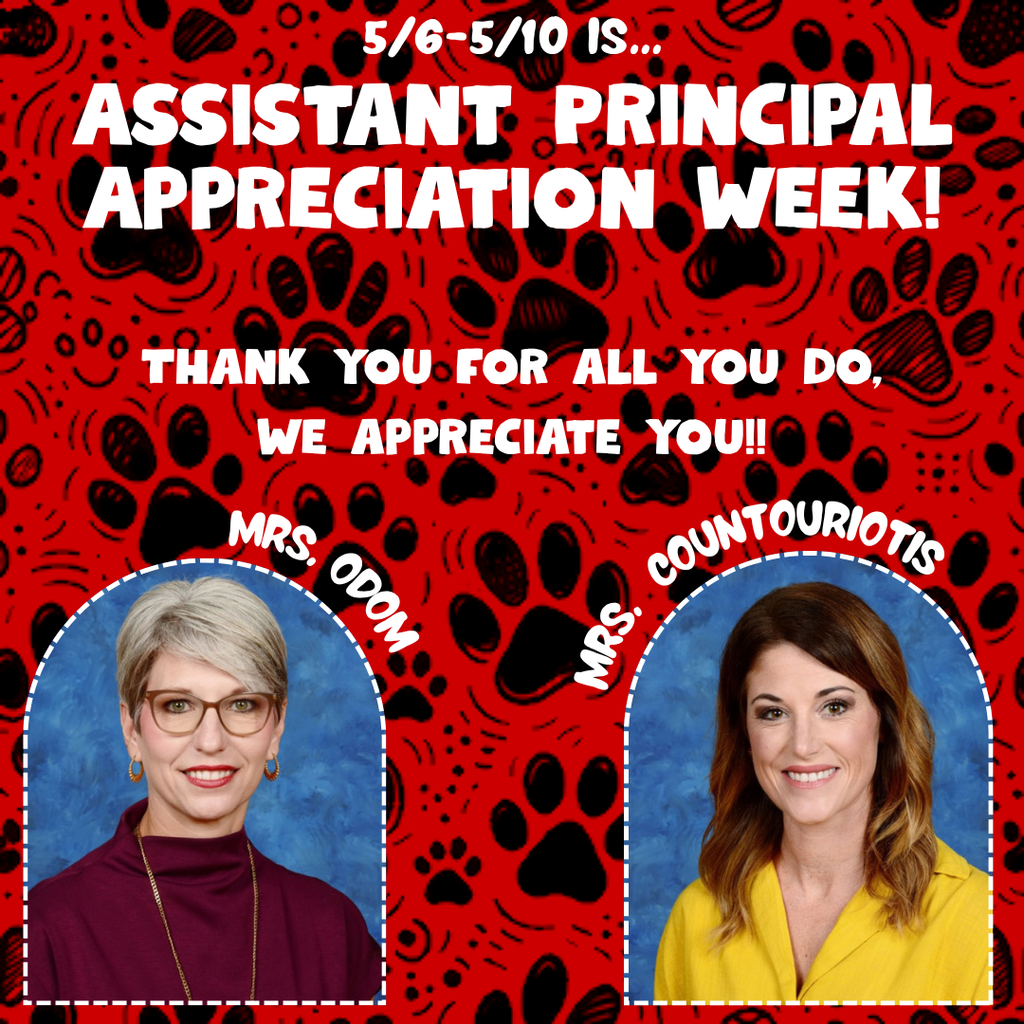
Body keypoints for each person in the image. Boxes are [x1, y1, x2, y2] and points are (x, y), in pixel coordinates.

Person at [28, 576, 382, 1001]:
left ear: (276, 728)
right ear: (132, 729)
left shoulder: (334, 928)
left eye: (242, 704)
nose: (211, 741)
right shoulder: (44, 928)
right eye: (177, 706)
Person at [654, 581, 989, 1002]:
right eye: (773, 713)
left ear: (884, 721)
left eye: (834, 707)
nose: (803, 745)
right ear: (745, 734)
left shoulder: (981, 922)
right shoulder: (696, 916)